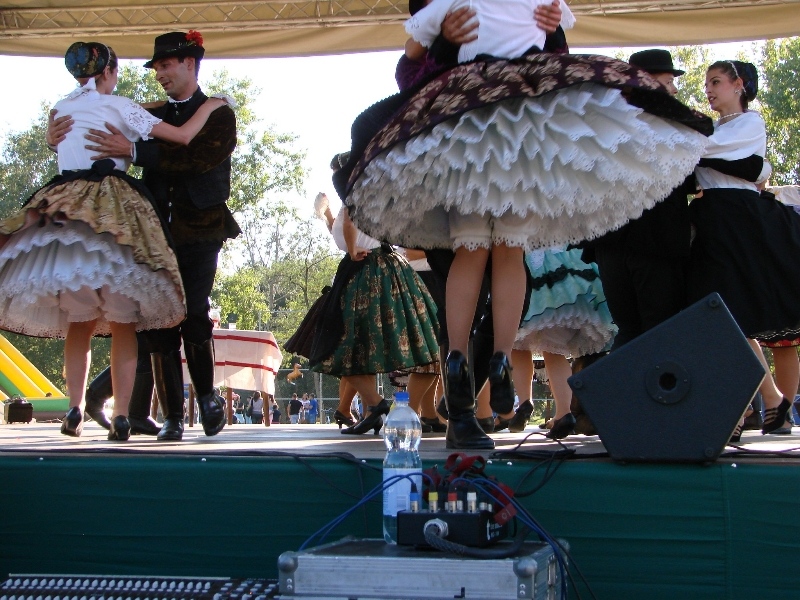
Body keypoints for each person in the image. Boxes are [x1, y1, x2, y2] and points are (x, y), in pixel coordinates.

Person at [334, 4, 711, 450]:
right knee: (509, 249)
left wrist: (449, 42)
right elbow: (554, 61)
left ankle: (458, 363)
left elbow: (411, 61)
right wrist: (547, 34)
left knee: (471, 251)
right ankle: (497, 359)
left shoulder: (455, 6)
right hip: (523, 131)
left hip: (465, 131)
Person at [0, 42, 231, 440]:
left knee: (89, 320)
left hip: (73, 221)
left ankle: (79, 407)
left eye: (165, 64)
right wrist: (211, 105)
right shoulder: (124, 107)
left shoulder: (62, 108)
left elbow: (190, 153)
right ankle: (131, 415)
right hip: (119, 223)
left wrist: (57, 139)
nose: (159, 73)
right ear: (108, 71)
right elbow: (181, 135)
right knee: (129, 322)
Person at [687, 60, 800, 439]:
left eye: (716, 81)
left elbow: (706, 151)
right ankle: (766, 400)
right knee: (721, 315)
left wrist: (758, 169)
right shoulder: (713, 130)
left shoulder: (749, 123)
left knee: (726, 313)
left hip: (738, 221)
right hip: (714, 221)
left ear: (738, 85)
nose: (709, 89)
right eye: (707, 83)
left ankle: (746, 408)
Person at [310, 165, 439, 436]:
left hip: (363, 269)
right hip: (391, 266)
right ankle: (374, 410)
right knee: (370, 346)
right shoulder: (387, 191)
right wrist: (328, 215)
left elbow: (348, 227)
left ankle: (376, 404)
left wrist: (352, 250)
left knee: (342, 345)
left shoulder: (355, 189)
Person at [583, 49, 698, 349]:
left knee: (629, 333)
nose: (674, 89)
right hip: (655, 244)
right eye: (669, 81)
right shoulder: (670, 126)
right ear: (648, 82)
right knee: (660, 334)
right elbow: (689, 177)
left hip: (611, 243)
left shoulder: (606, 122)